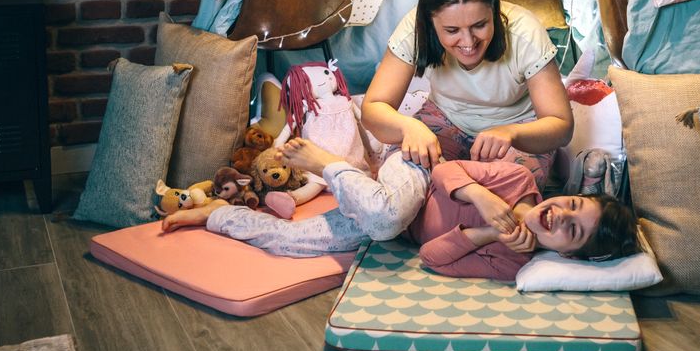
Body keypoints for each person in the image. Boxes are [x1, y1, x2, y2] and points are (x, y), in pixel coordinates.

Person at [161, 138, 639, 282]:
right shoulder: (518, 180)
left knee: (293, 242)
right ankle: (328, 166)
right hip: (412, 174)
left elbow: (432, 256)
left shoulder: (512, 260)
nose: (560, 215)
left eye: (571, 231)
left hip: (386, 221)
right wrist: (482, 198)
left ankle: (214, 216)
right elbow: (447, 170)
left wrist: (489, 235)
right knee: (387, 219)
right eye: (572, 204)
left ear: (568, 256)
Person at [361, 0, 573, 189]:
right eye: (452, 30)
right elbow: (373, 109)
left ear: (494, 10)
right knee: (402, 186)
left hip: (517, 125)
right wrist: (408, 127)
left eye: (480, 25)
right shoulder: (415, 28)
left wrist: (511, 132)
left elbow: (561, 127)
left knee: (512, 195)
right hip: (444, 118)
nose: (468, 42)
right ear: (430, 24)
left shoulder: (525, 31)